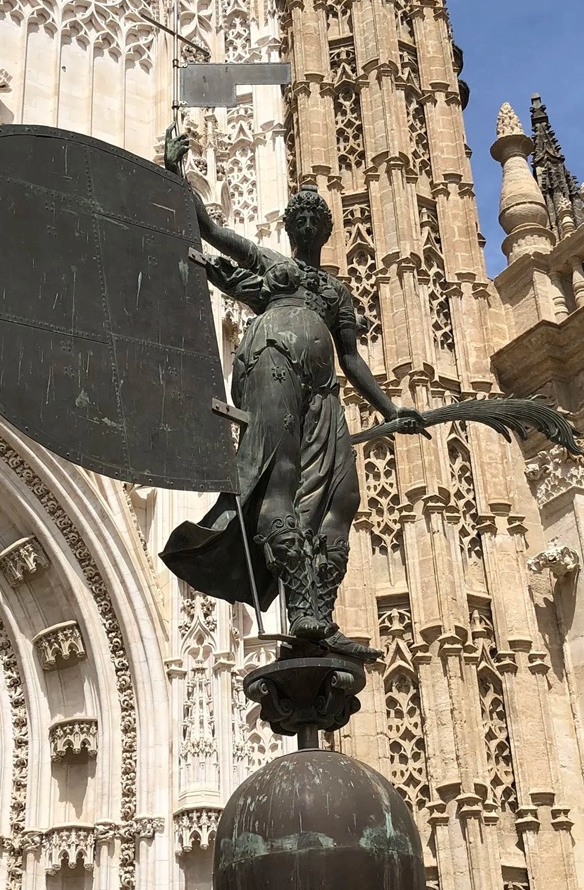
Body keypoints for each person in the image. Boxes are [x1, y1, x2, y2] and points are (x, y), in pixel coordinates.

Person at [160, 124, 426, 657]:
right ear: (289, 228)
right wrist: (175, 174)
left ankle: (316, 614)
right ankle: (301, 603)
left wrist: (392, 408)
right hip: (272, 359)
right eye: (298, 217)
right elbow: (210, 230)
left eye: (315, 218)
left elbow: (352, 359)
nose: (306, 223)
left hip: (322, 387)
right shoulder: (272, 266)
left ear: (325, 231)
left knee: (342, 494)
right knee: (275, 476)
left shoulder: (336, 292)